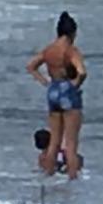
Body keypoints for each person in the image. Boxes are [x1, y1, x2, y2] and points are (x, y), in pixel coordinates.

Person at [26, 12, 86, 179]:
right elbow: (81, 72)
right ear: (72, 32)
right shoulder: (70, 50)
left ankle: (48, 175)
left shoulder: (49, 49)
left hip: (53, 89)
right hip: (67, 89)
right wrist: (75, 85)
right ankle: (72, 180)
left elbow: (31, 66)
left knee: (54, 141)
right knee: (71, 143)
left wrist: (45, 82)